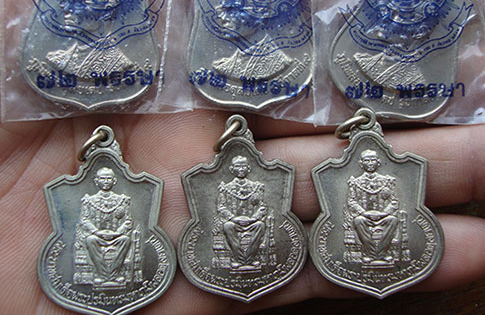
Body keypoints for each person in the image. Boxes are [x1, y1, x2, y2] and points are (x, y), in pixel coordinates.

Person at [1, 111, 485, 313]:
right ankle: (113, 274)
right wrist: (105, 230)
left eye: (110, 180)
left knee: (385, 219)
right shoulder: (90, 198)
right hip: (226, 225)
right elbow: (89, 223)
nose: (107, 184)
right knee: (103, 238)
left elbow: (260, 207)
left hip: (262, 220)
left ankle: (368, 253)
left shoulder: (263, 186)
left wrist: (249, 216)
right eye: (104, 180)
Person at [76, 167, 133, 285]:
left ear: (114, 181)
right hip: (97, 236)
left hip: (116, 236)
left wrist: (117, 233)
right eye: (102, 178)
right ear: (96, 181)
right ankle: (105, 276)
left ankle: (111, 275)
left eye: (108, 178)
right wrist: (97, 232)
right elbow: (84, 220)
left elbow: (128, 221)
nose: (106, 181)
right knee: (90, 240)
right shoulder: (89, 200)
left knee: (126, 240)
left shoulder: (122, 200)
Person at [347, 149, 400, 263]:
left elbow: (394, 201)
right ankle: (371, 254)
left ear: (378, 162)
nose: (370, 163)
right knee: (358, 221)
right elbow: (351, 201)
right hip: (365, 217)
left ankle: (380, 253)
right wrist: (364, 213)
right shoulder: (355, 182)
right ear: (361, 163)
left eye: (373, 160)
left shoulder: (386, 181)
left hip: (383, 217)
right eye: (367, 160)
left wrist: (384, 213)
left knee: (393, 220)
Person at [216, 155, 267, 269]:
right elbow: (221, 207)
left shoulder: (256, 187)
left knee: (260, 225)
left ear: (249, 168)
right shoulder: (226, 188)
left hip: (252, 222)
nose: (241, 169)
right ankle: (240, 259)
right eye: (238, 166)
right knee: (228, 226)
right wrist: (234, 218)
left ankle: (249, 259)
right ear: (232, 169)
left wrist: (253, 219)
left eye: (243, 166)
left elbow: (263, 207)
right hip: (234, 222)